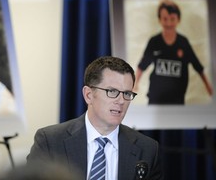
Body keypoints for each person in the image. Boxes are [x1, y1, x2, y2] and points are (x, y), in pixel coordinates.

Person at [27, 56, 163, 180]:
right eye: (112, 92)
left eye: (127, 93)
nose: (121, 101)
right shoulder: (50, 142)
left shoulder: (148, 149)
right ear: (88, 95)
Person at [134, 0, 213, 105]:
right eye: (165, 19)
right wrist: (135, 83)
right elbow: (142, 65)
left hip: (177, 99)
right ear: (159, 19)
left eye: (172, 19)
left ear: (178, 19)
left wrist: (208, 86)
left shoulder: (183, 42)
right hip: (155, 99)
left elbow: (197, 65)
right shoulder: (154, 41)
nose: (169, 23)